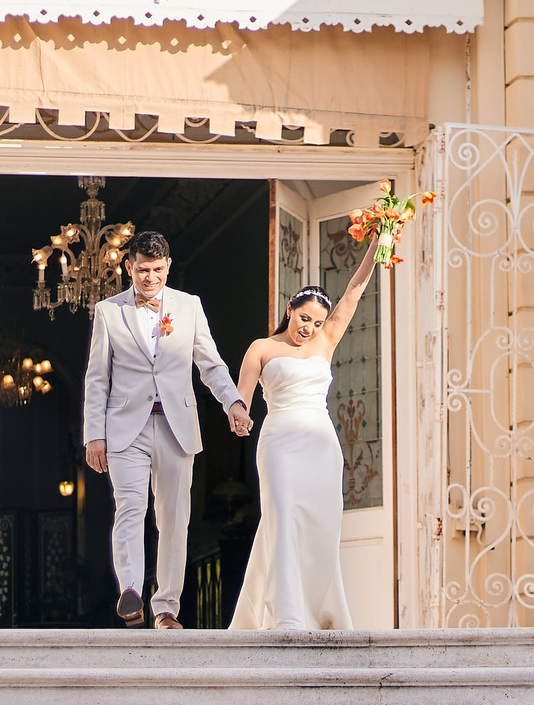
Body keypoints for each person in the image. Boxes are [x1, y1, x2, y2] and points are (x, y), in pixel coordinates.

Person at [82, 231, 251, 629]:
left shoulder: (189, 306)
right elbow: (96, 379)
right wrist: (94, 434)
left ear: (168, 266)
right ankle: (130, 590)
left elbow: (210, 364)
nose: (150, 278)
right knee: (130, 508)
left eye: (158, 270)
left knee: (174, 518)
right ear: (129, 267)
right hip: (126, 428)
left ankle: (166, 608)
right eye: (142, 270)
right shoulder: (109, 311)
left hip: (177, 425)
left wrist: (233, 402)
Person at [229, 249, 377, 631]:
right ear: (290, 309)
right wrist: (240, 416)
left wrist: (381, 238)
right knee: (281, 517)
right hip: (279, 440)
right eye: (304, 317)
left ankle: (320, 611)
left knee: (318, 527)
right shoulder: (261, 348)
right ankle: (286, 614)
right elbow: (240, 400)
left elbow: (355, 289)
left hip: (320, 445)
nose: (308, 327)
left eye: (317, 322)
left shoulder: (325, 342)